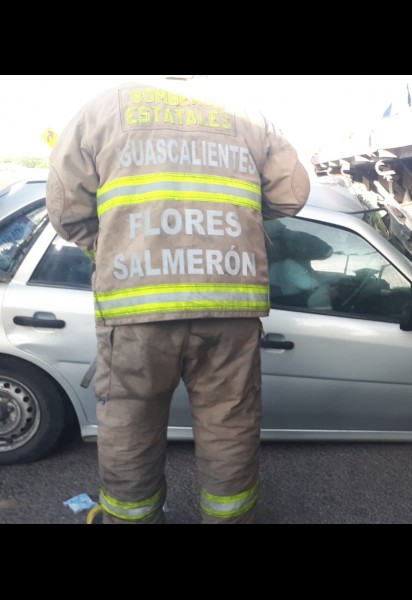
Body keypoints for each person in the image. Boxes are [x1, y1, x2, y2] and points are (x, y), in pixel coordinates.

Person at [46, 76, 310, 524]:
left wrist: (115, 250)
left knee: (130, 428)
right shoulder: (249, 114)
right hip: (229, 302)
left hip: (136, 309)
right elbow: (292, 195)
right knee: (230, 427)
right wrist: (230, 216)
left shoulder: (102, 109)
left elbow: (66, 210)